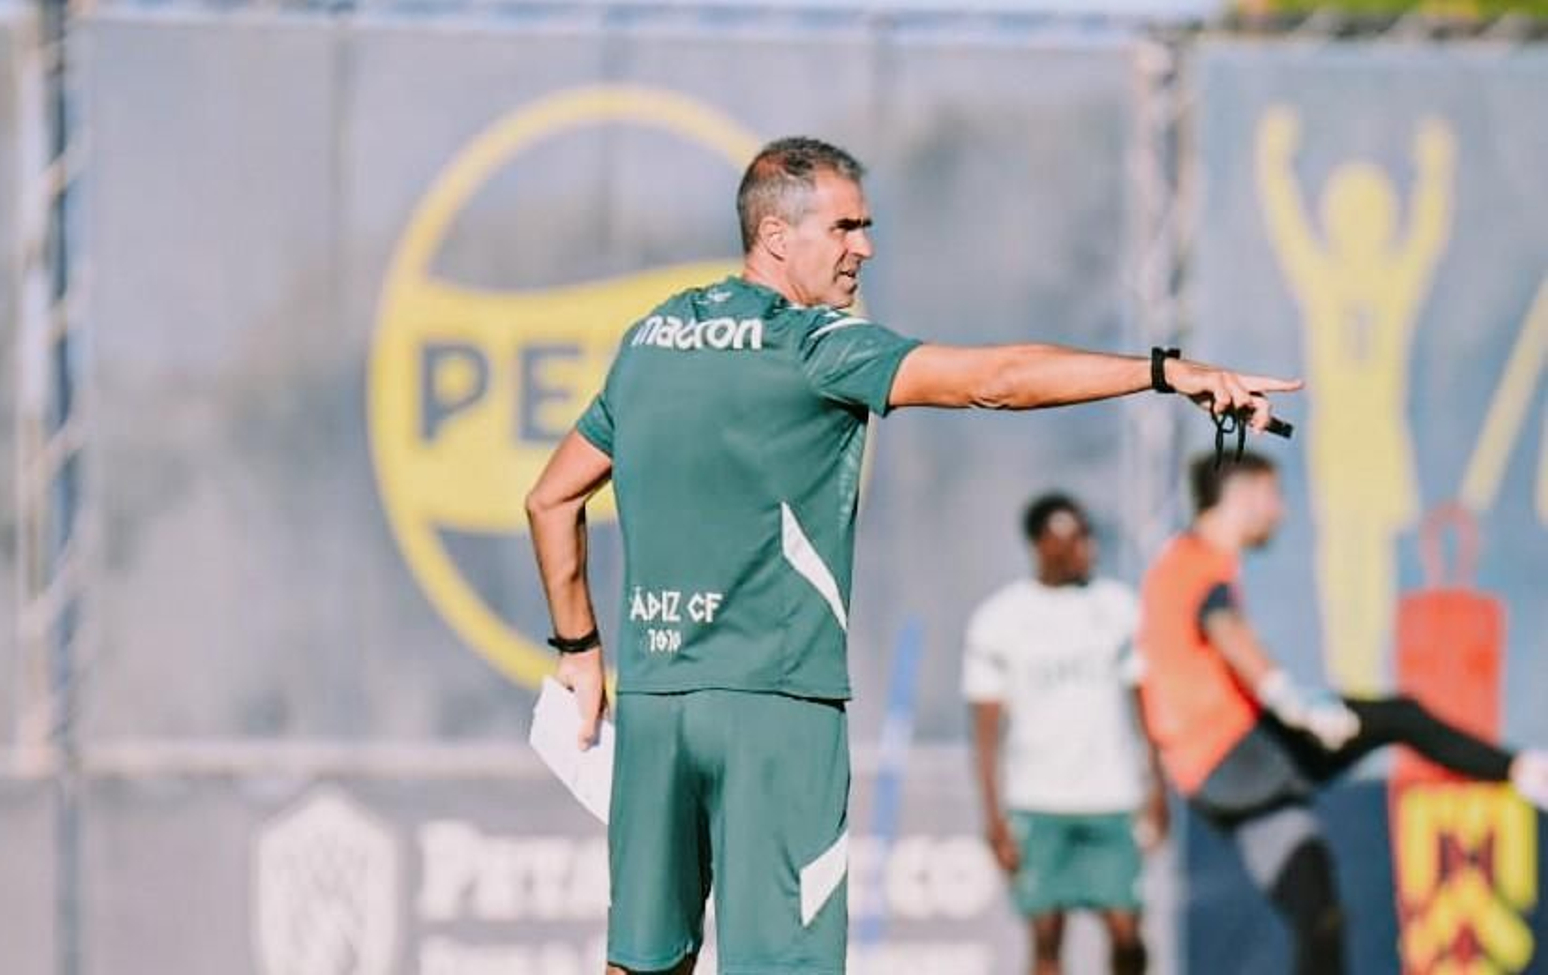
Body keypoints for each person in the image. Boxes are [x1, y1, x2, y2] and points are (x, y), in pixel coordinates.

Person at [525, 136, 1298, 975]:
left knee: (641, 962)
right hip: (777, 709)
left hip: (657, 703)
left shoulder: (650, 339)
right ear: (778, 236)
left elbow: (551, 498)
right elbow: (997, 378)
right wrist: (1163, 370)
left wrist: (579, 650)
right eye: (847, 226)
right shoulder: (816, 344)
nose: (867, 246)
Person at [1136, 451, 1548, 975]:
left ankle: (1524, 772)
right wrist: (1293, 702)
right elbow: (1228, 633)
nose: (1281, 512)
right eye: (1274, 495)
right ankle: (1526, 771)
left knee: (1318, 912)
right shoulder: (1199, 563)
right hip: (1241, 757)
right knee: (1401, 717)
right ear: (1243, 496)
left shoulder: (1173, 562)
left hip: (1230, 785)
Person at [963, 493, 1167, 975]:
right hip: (1039, 799)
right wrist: (994, 818)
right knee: (1046, 935)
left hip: (1111, 797)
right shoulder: (1000, 619)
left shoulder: (1117, 607)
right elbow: (987, 732)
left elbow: (1144, 706)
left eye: (1086, 536)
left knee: (1127, 933)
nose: (1084, 549)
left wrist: (1157, 789)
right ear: (1040, 544)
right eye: (1070, 539)